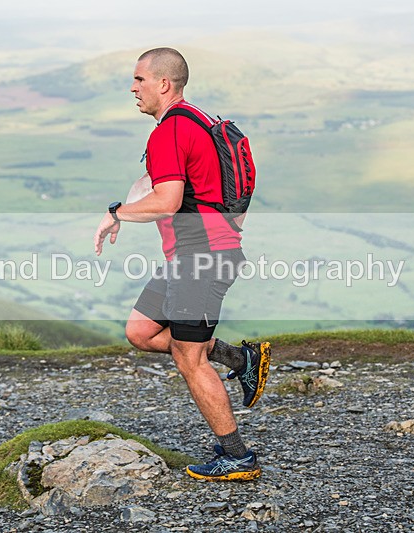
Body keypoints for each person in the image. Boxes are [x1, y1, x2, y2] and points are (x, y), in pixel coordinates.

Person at [93, 47, 270, 481]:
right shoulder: (198, 120)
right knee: (141, 330)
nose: (133, 88)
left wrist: (117, 214)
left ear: (163, 83)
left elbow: (168, 198)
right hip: (194, 254)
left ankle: (237, 458)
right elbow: (167, 182)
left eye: (139, 79)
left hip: (202, 257)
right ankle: (239, 358)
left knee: (189, 357)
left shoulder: (169, 131)